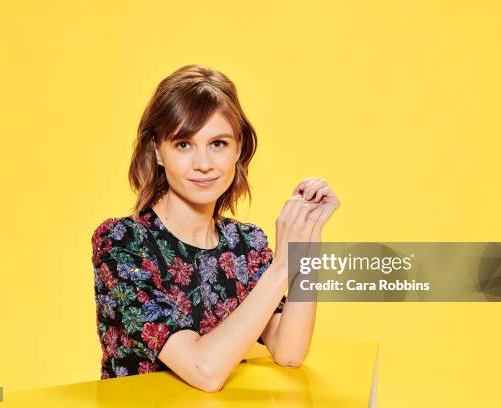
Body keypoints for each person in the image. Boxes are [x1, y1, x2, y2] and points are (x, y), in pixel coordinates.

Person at [91, 64, 340, 392]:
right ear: (157, 151)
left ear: (238, 148)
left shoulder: (245, 244)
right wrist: (282, 266)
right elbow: (204, 370)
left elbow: (289, 351)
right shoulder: (122, 243)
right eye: (183, 144)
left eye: (218, 143)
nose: (204, 163)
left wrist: (306, 247)